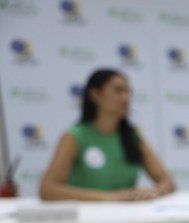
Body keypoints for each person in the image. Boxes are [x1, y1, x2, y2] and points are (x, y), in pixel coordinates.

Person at [40, 69, 174, 201]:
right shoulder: (74, 137)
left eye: (129, 92)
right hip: (87, 214)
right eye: (118, 90)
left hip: (126, 214)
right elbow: (48, 189)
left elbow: (168, 182)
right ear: (95, 94)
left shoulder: (134, 138)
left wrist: (155, 191)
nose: (126, 98)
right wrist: (109, 197)